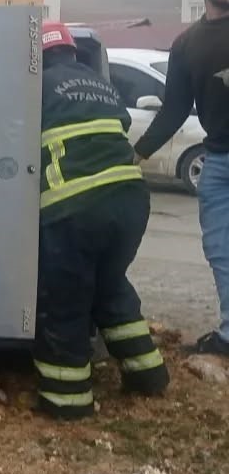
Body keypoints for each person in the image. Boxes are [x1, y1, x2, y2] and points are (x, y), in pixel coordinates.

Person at [35, 22, 169, 419]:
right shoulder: (100, 84)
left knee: (66, 300)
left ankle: (66, 402)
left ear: (39, 56)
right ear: (72, 52)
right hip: (130, 201)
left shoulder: (37, 86)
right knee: (108, 287)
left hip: (76, 205)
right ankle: (148, 375)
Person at [134, 0, 229, 356]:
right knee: (221, 252)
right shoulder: (187, 44)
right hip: (218, 164)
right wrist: (134, 155)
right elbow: (173, 111)